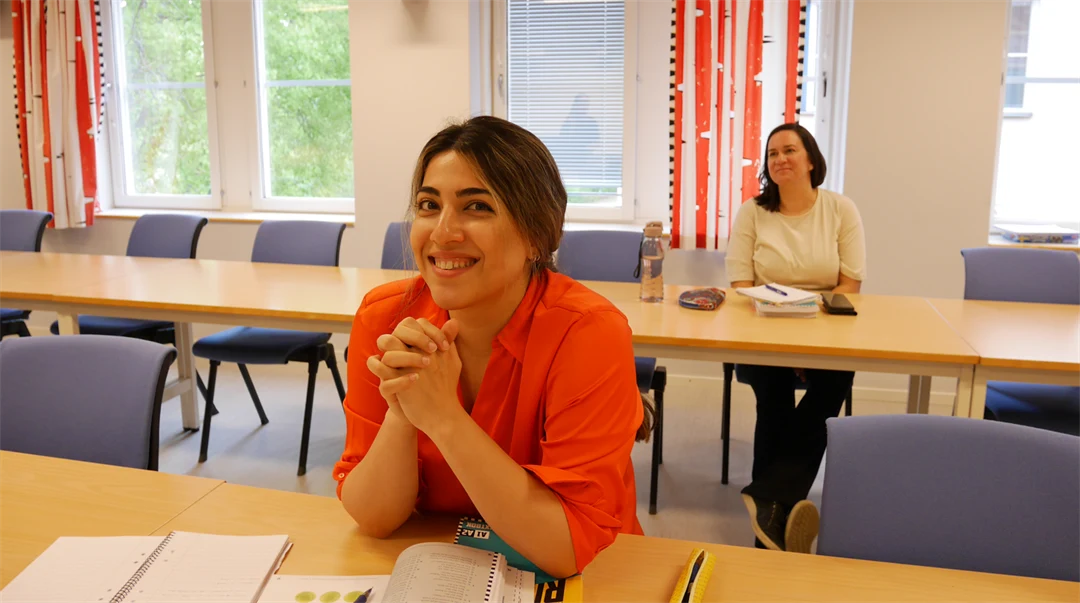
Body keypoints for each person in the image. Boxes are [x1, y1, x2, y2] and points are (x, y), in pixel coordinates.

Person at [334, 116, 651, 579]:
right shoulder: (385, 319)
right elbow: (375, 518)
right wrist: (404, 412)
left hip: (593, 576)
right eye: (428, 204)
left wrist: (443, 417)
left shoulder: (588, 332)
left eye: (476, 207)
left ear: (536, 235)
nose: (443, 232)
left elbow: (565, 549)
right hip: (442, 565)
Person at [724, 123, 867, 554]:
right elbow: (739, 281)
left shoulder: (841, 210)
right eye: (772, 154)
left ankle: (769, 500)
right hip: (761, 328)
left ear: (810, 159)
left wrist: (808, 344)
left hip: (823, 329)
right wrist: (783, 342)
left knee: (836, 379)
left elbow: (849, 285)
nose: (779, 159)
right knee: (773, 392)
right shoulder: (753, 211)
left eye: (789, 150)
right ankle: (776, 511)